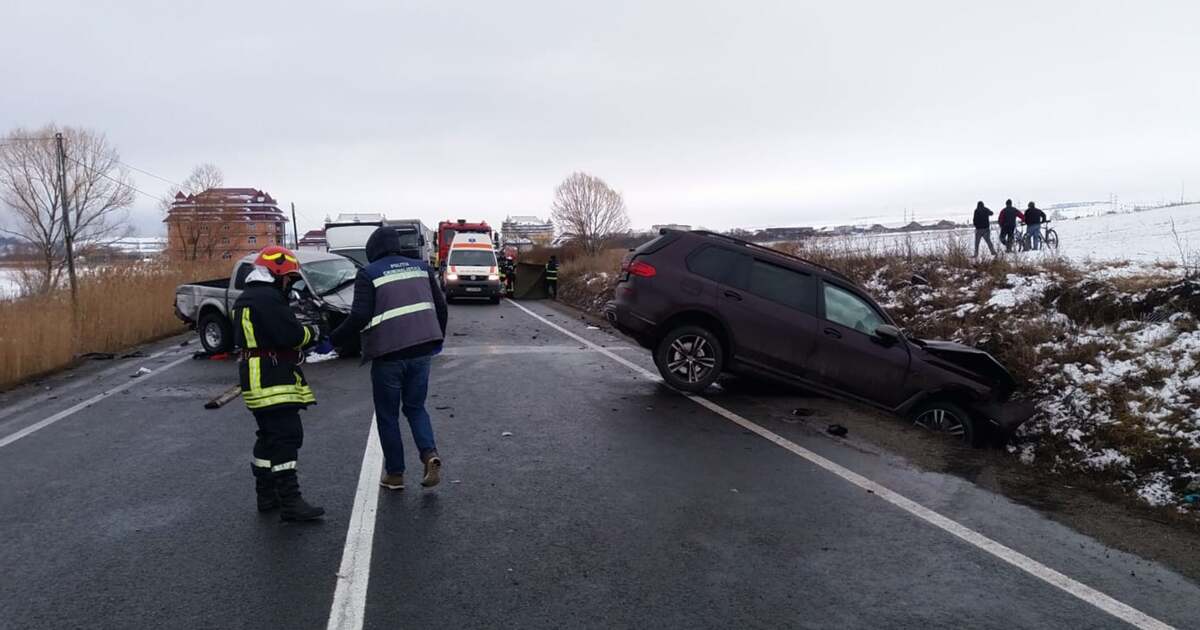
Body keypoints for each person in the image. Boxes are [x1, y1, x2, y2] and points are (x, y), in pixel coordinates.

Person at [331, 227, 448, 491]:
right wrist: (438, 339)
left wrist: (333, 340)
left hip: (389, 354)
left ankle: (395, 474)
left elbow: (359, 316)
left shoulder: (369, 273)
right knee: (416, 408)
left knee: (387, 415)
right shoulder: (422, 268)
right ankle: (429, 454)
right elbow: (441, 307)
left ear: (373, 250)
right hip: (422, 350)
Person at [234, 246, 325, 522]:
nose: (288, 284)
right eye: (287, 278)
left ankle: (266, 495)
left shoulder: (247, 297)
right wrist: (314, 332)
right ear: (276, 273)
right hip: (271, 378)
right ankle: (290, 501)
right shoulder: (268, 299)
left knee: (268, 436)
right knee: (286, 436)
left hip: (255, 377)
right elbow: (291, 336)